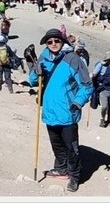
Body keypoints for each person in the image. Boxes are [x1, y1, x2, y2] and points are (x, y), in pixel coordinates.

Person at [27, 28, 93, 193]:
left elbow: (87, 85)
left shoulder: (73, 59)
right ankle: (62, 169)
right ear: (46, 44)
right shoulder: (43, 58)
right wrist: (36, 70)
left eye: (57, 40)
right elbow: (33, 80)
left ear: (63, 41)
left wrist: (78, 102)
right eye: (50, 42)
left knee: (72, 147)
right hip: (50, 111)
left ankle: (75, 176)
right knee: (57, 144)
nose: (54, 44)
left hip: (68, 111)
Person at [92, 50, 110, 127]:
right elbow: (94, 73)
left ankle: (109, 120)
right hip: (102, 88)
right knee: (104, 106)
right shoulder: (100, 65)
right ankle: (102, 119)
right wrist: (92, 77)